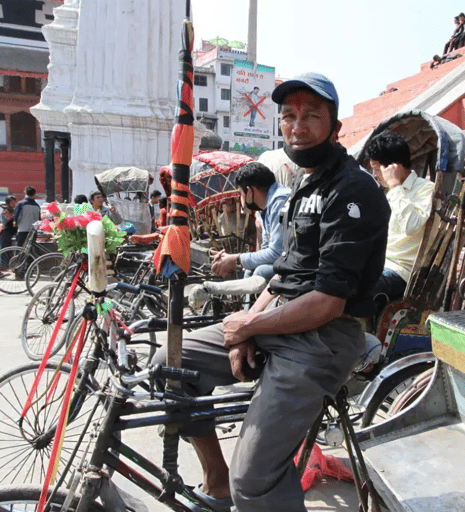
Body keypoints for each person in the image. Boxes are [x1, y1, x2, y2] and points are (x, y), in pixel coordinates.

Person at [152, 72, 390, 512]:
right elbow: (282, 274)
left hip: (323, 337)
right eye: (288, 115)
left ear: (336, 128)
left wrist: (252, 325)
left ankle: (243, 486)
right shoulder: (303, 184)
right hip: (280, 318)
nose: (297, 125)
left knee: (256, 477)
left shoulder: (355, 190)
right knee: (170, 363)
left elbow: (327, 301)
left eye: (311, 116)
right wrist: (245, 330)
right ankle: (217, 482)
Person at [364, 130, 434, 303]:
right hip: (381, 266)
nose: (374, 175)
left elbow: (411, 226)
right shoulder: (389, 194)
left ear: (392, 167)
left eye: (376, 169)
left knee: (359, 288)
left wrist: (395, 186)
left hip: (404, 273)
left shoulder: (427, 190)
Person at [210, 162, 290, 282]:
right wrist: (233, 259)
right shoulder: (265, 206)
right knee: (250, 270)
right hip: (282, 260)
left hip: (298, 264)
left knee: (260, 272)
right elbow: (265, 248)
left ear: (250, 191)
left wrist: (236, 259)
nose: (241, 198)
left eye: (241, 194)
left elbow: (276, 253)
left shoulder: (279, 202)